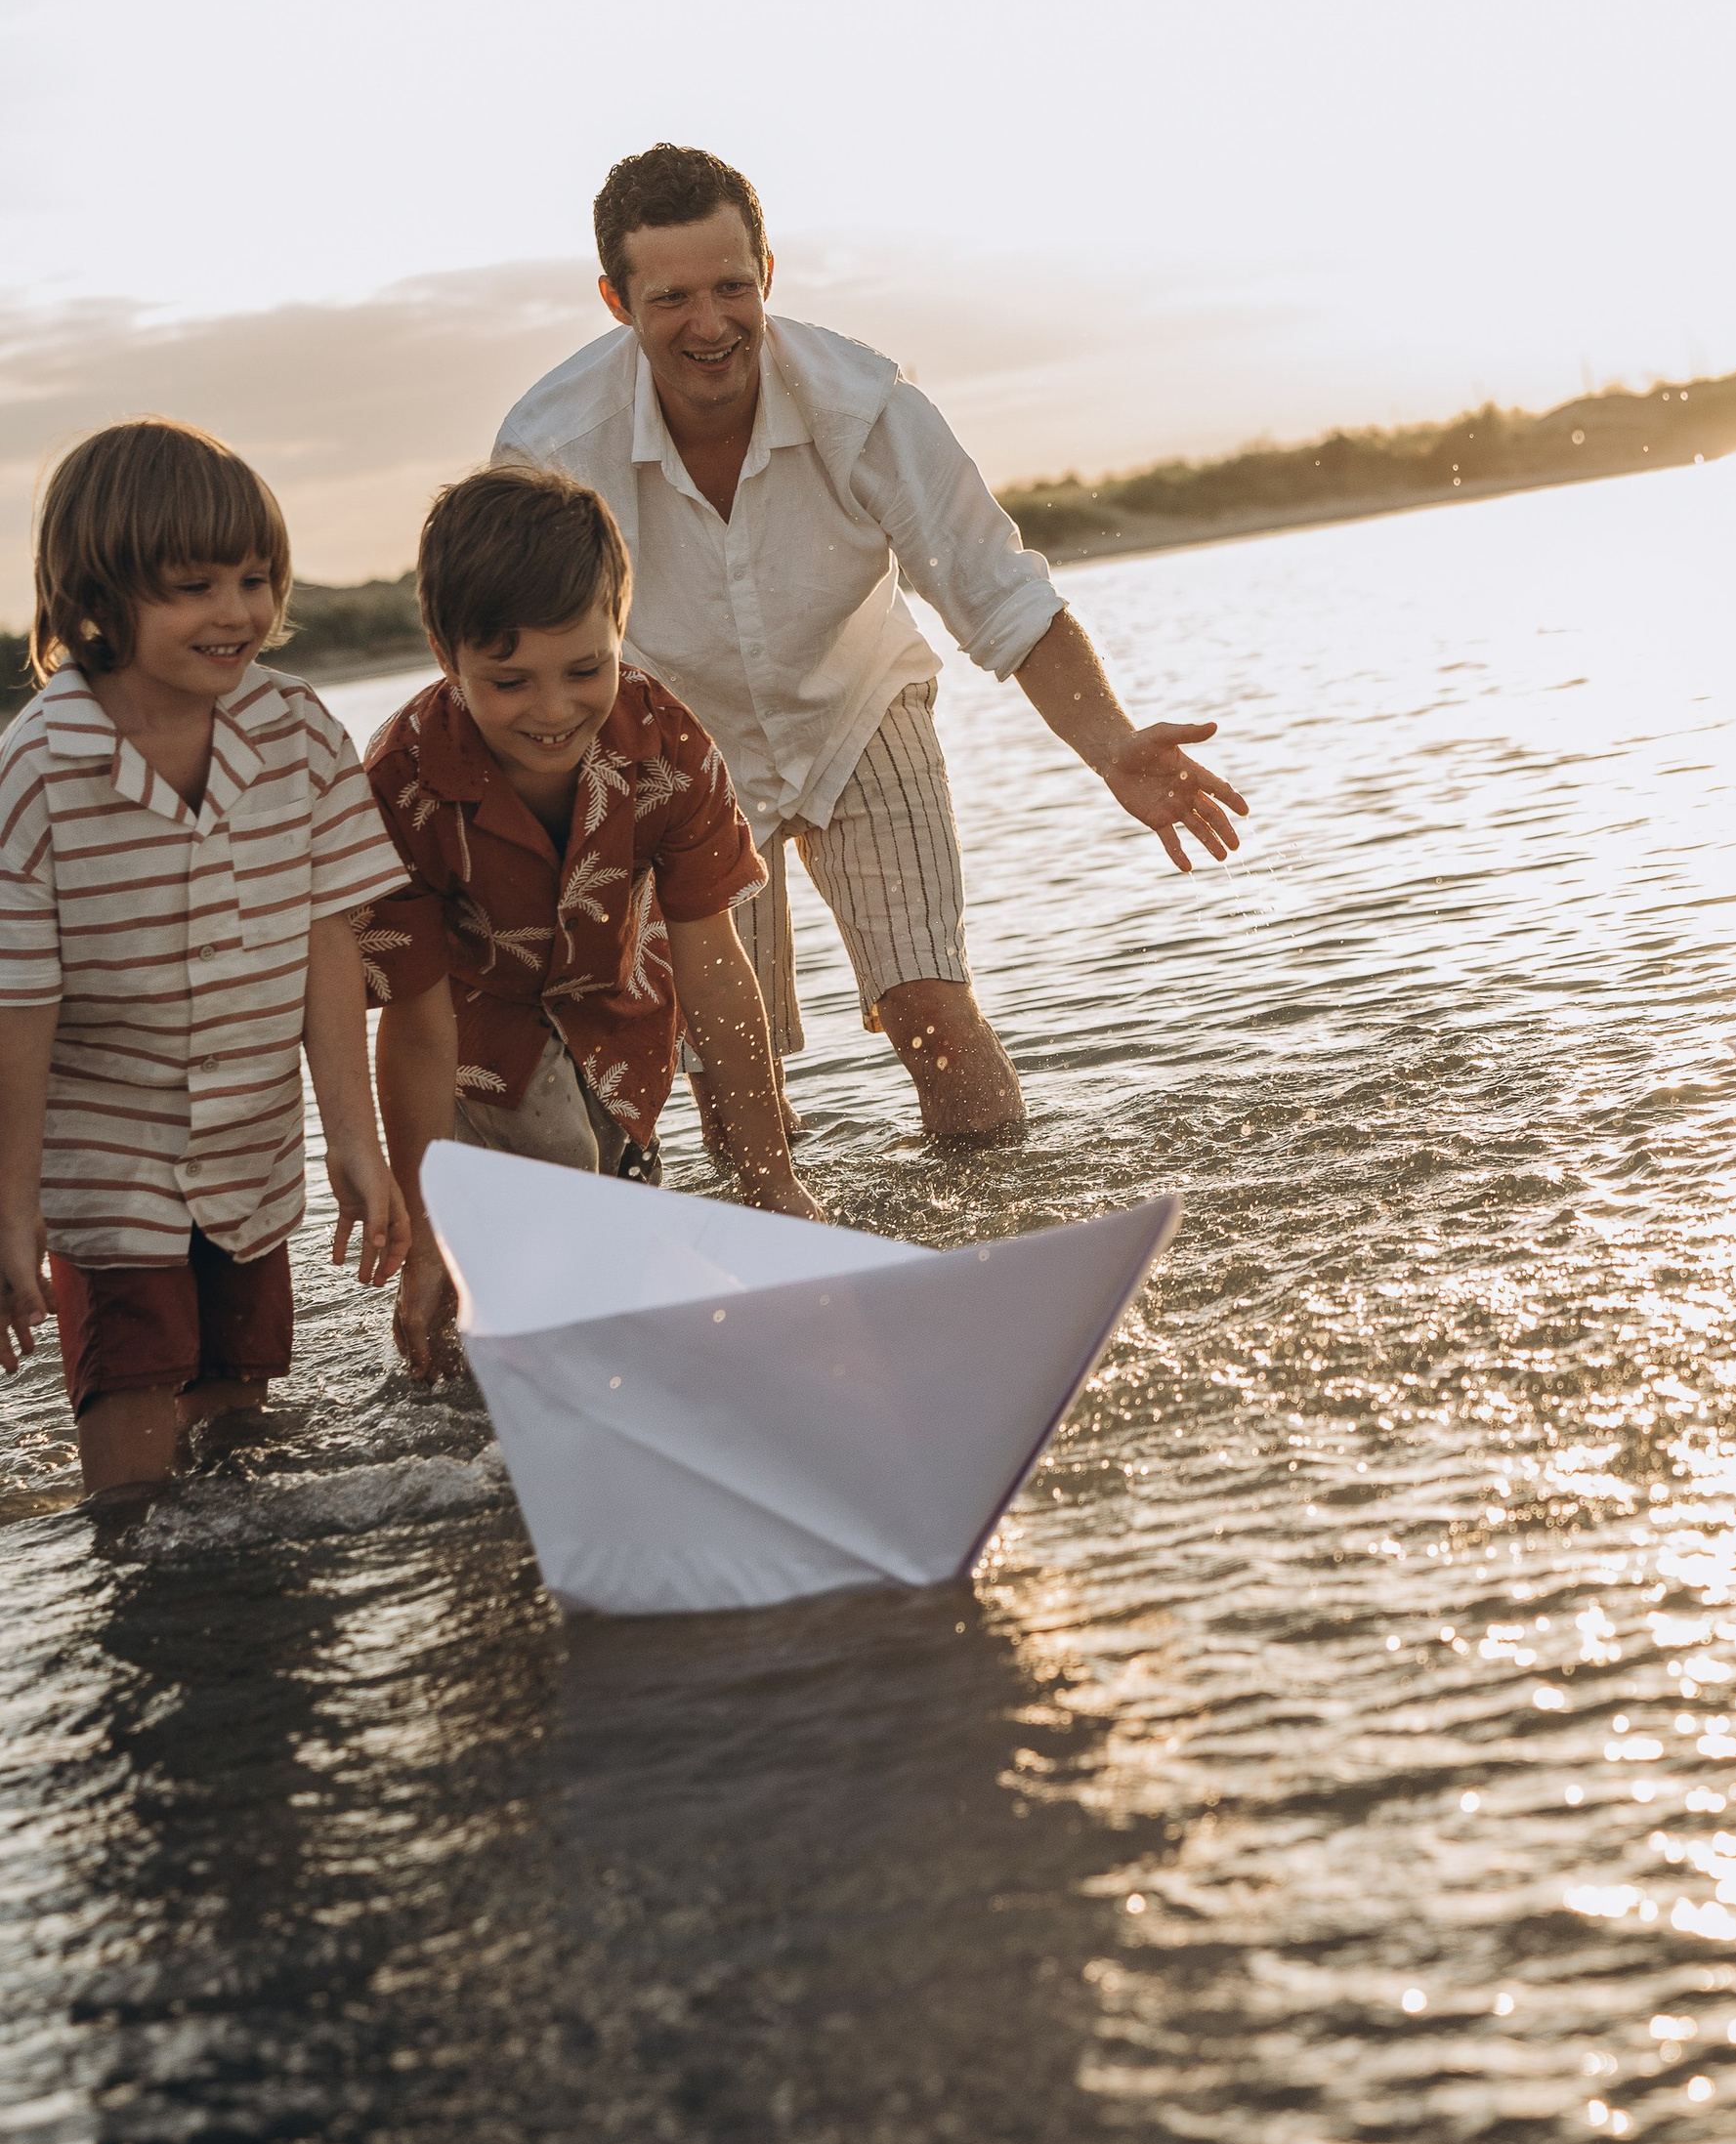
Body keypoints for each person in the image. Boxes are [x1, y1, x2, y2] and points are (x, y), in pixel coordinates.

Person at [493, 143, 1249, 1145]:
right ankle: (777, 1228)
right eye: (672, 298)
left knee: (930, 1010)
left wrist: (1111, 744)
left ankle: (1005, 1212)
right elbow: (521, 670)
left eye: (731, 287)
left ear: (767, 273)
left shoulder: (864, 405)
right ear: (617, 301)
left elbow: (998, 591)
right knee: (733, 1079)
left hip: (859, 706)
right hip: (672, 753)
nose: (710, 324)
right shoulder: (549, 448)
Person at [0, 419, 410, 1495]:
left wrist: (354, 1139)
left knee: (241, 1421)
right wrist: (11, 1206)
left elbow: (326, 937)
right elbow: (17, 1009)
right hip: (106, 1164)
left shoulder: (298, 732)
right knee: (134, 1455)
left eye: (255, 579)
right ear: (99, 595)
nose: (236, 611)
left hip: (251, 1153)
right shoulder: (37, 772)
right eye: (194, 586)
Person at [358, 460, 822, 1381]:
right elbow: (413, 1025)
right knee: (556, 1181)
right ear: (447, 657)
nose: (554, 709)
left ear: (620, 627)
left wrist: (772, 1180)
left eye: (585, 669)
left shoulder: (667, 745)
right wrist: (426, 1239)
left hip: (619, 1014)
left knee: (625, 1228)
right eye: (510, 681)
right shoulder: (401, 785)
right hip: (476, 1034)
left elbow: (714, 965)